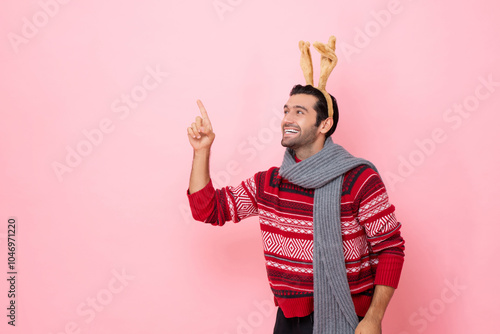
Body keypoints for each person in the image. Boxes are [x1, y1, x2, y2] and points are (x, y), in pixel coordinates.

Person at [186, 84, 405, 334]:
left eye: (299, 112)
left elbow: (390, 248)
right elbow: (208, 210)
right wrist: (202, 151)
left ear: (324, 125)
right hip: (289, 321)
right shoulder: (268, 183)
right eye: (286, 111)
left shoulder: (358, 179)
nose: (287, 119)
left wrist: (374, 318)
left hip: (348, 315)